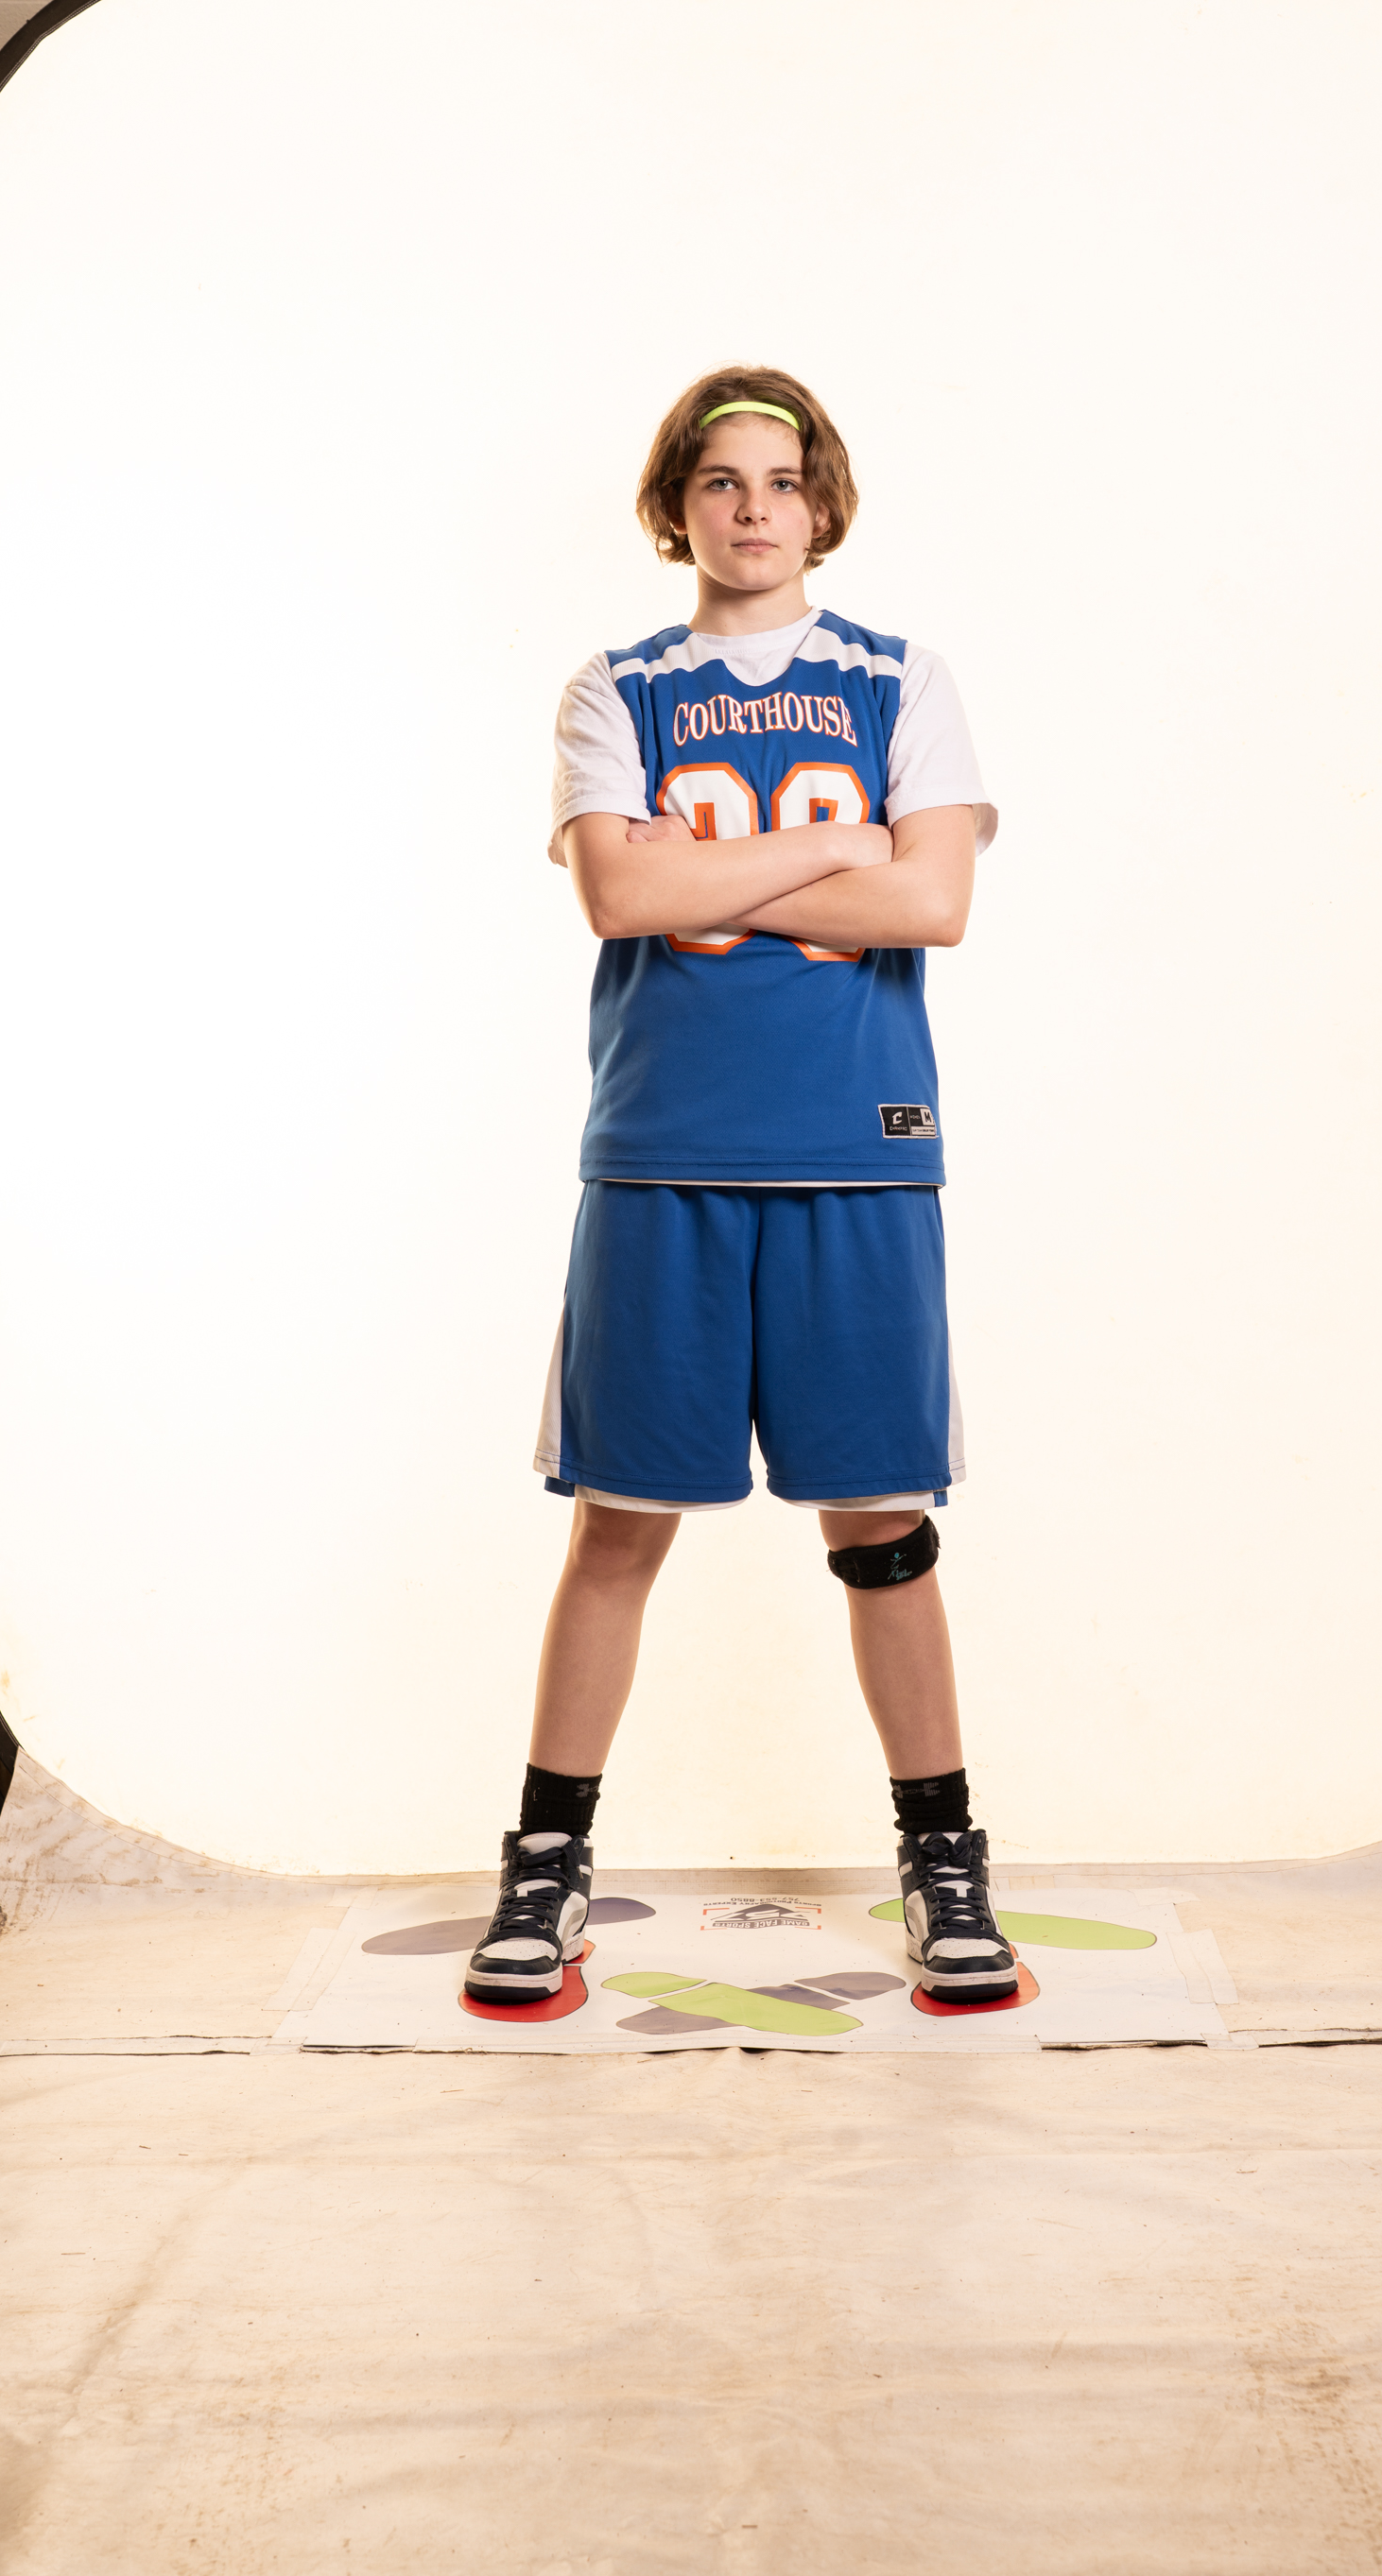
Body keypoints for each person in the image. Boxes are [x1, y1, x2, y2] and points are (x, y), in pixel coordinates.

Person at [465, 366, 1014, 2011]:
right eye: (720, 482)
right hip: (662, 1149)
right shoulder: (615, 686)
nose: (753, 507)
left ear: (821, 503)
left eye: (781, 481)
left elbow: (933, 906)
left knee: (884, 1526)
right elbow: (617, 893)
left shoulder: (900, 678)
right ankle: (546, 1862)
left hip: (859, 1146)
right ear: (676, 505)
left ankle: (943, 1857)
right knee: (617, 1520)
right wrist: (835, 849)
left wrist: (712, 875)